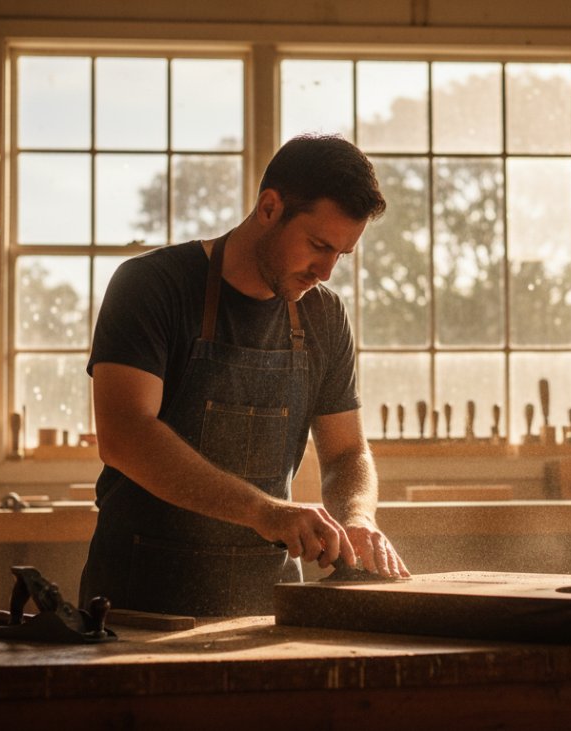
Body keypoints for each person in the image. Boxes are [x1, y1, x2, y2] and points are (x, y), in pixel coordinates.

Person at [79, 134, 409, 617]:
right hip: (140, 601)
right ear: (270, 207)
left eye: (341, 254)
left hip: (267, 603)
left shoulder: (323, 315)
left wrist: (356, 516)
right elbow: (125, 434)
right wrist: (265, 511)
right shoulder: (151, 286)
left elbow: (346, 452)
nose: (326, 271)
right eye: (318, 246)